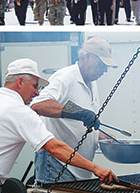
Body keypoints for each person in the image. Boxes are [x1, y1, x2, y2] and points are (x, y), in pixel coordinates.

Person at [0, 58, 117, 193]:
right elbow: (55, 148)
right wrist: (96, 168)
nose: (37, 93)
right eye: (35, 86)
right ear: (20, 82)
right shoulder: (20, 111)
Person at [31, 37, 118, 183]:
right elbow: (38, 105)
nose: (104, 70)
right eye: (101, 64)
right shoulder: (66, 77)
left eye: (106, 67)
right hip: (57, 165)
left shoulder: (92, 83)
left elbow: (76, 125)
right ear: (88, 57)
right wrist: (79, 113)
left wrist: (98, 136)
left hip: (79, 169)